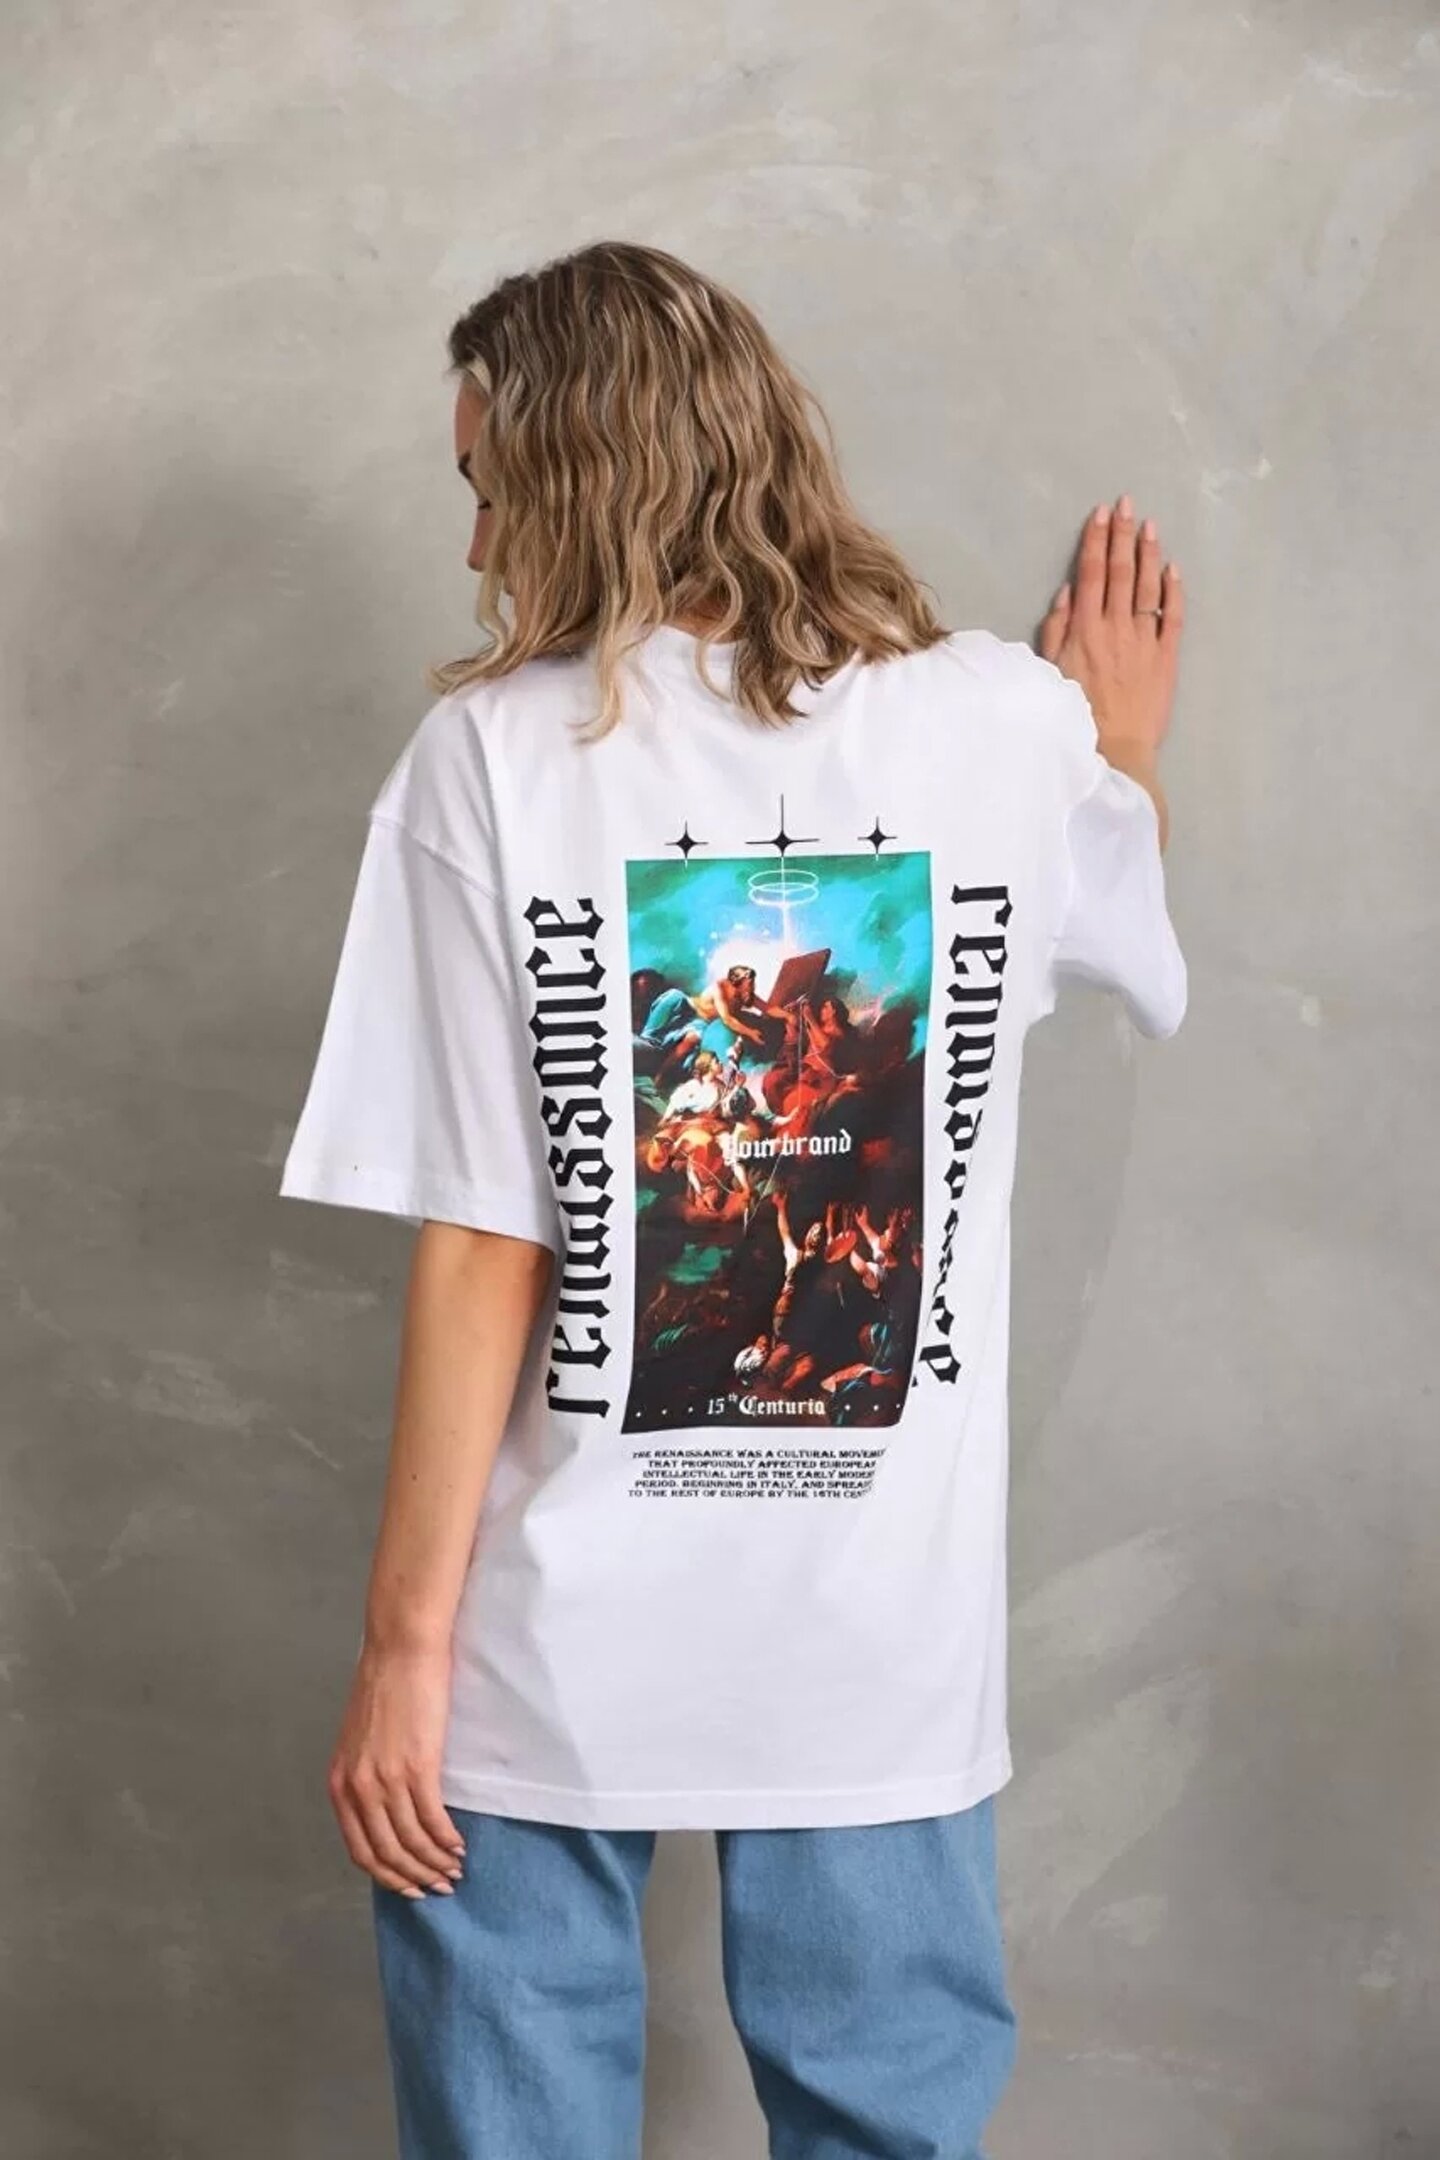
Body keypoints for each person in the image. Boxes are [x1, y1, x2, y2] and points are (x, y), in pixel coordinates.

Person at [278, 239, 1186, 2159]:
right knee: (889, 2128)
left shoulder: (492, 762)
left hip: (542, 1632)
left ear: (587, 475)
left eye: (488, 486)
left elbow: (484, 1235)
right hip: (880, 1628)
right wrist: (1117, 752)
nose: (474, 546)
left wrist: (401, 1657)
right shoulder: (1000, 727)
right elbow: (1111, 905)